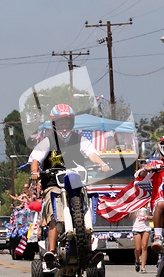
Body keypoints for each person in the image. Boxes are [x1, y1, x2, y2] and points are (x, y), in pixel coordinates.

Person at [29, 104, 110, 265]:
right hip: (53, 183)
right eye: (61, 123)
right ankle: (51, 251)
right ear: (54, 124)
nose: (64, 126)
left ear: (72, 123)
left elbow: (91, 154)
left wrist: (101, 163)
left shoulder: (79, 139)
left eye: (67, 123)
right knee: (54, 213)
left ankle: (88, 250)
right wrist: (35, 172)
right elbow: (36, 159)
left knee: (85, 206)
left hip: (75, 182)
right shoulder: (47, 141)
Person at [129, 206, 152, 273]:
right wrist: (131, 211)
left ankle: (143, 267)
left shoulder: (148, 204)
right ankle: (137, 260)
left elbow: (153, 217)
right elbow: (130, 218)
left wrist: (147, 217)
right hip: (136, 227)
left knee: (144, 246)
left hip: (146, 227)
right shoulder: (135, 203)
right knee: (138, 248)